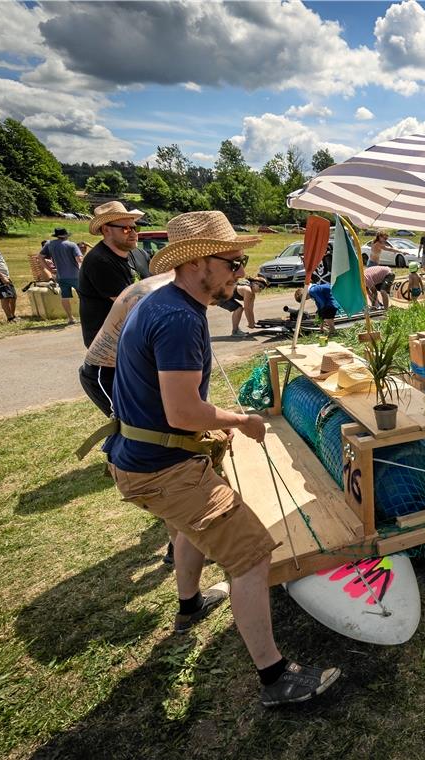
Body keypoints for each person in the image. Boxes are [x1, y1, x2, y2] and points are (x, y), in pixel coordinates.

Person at [99, 210, 340, 706]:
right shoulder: (178, 319)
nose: (241, 273)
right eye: (233, 262)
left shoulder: (164, 302)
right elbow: (184, 411)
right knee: (251, 554)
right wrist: (240, 421)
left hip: (145, 459)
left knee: (191, 527)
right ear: (198, 262)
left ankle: (189, 605)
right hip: (161, 469)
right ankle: (276, 679)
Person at [79, 271, 176, 565]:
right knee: (147, 443)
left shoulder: (175, 287)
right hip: (104, 373)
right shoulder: (157, 295)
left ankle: (178, 530)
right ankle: (177, 531)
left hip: (130, 371)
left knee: (168, 446)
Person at [79, 201, 144, 347]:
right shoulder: (99, 261)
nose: (134, 233)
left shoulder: (139, 254)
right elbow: (131, 304)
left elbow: (155, 285)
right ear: (106, 230)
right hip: (108, 345)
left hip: (133, 336)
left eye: (135, 227)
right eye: (126, 229)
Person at [40, 227, 82, 324]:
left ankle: (70, 318)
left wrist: (49, 269)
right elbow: (79, 259)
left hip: (60, 276)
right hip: (75, 275)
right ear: (66, 235)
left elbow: (40, 257)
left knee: (65, 297)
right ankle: (83, 316)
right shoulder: (72, 245)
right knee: (83, 296)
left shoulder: (49, 244)